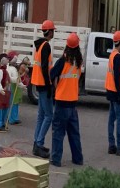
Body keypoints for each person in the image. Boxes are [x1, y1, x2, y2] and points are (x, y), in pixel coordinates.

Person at [50, 32, 84, 168]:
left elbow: (52, 74)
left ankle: (56, 159)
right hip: (73, 101)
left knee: (58, 131)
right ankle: (78, 158)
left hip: (61, 101)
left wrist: (55, 84)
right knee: (74, 133)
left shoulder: (63, 61)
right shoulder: (78, 61)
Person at [31, 20, 55, 159]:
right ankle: (39, 143)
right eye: (53, 31)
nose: (53, 33)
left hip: (38, 83)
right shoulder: (46, 46)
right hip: (44, 84)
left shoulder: (39, 45)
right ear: (50, 31)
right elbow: (45, 67)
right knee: (48, 116)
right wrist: (49, 85)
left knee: (41, 115)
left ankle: (37, 143)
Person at [0, 53, 12, 132]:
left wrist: (19, 83)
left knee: (4, 107)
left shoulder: (5, 70)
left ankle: (2, 123)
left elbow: (10, 80)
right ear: (2, 60)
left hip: (4, 91)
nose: (8, 60)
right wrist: (0, 88)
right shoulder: (0, 70)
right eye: (7, 59)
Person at [7, 52, 25, 125]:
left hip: (13, 87)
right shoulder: (12, 69)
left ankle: (13, 118)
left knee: (14, 103)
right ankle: (12, 119)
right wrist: (22, 85)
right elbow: (15, 79)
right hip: (12, 88)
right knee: (13, 103)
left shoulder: (10, 67)